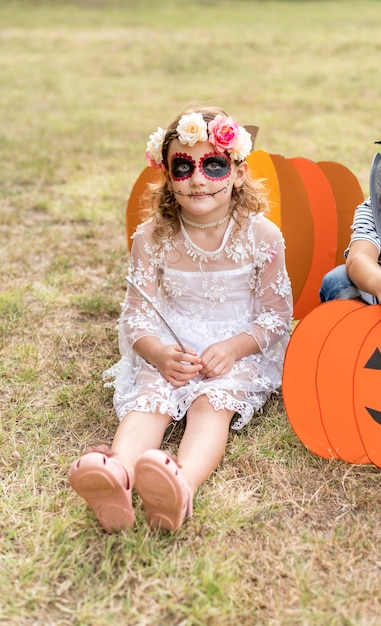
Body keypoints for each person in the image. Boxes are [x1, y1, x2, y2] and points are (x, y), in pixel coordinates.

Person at [68, 105, 293, 533]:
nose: (197, 178)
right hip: (172, 341)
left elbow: (276, 315)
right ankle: (117, 474)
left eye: (213, 165)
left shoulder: (262, 236)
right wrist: (158, 353)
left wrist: (234, 348)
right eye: (183, 166)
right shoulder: (152, 236)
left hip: (236, 347)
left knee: (212, 406)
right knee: (149, 399)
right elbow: (136, 316)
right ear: (167, 175)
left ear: (238, 172)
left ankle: (179, 486)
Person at [320, 115, 381, 320]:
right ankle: (356, 344)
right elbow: (359, 259)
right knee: (337, 280)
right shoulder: (376, 210)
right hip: (380, 310)